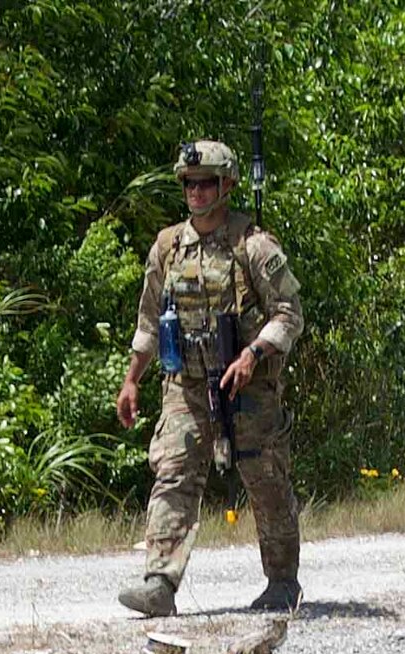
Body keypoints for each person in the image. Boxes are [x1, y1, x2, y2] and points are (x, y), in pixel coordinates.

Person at [116, 138, 305, 617]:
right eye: (189, 184)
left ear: (226, 186)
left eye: (206, 184)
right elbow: (148, 321)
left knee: (264, 476)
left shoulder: (254, 245)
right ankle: (160, 582)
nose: (196, 192)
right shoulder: (168, 247)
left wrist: (254, 354)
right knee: (173, 470)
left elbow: (288, 314)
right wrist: (132, 379)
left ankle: (283, 582)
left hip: (247, 384)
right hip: (187, 384)